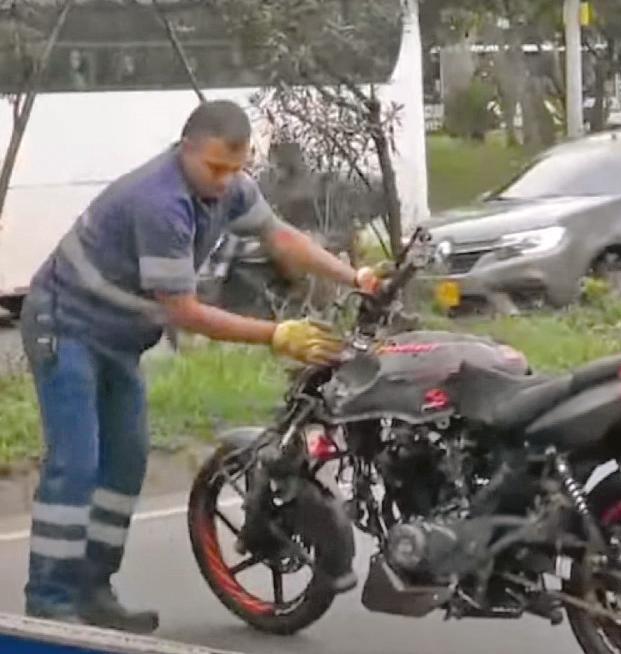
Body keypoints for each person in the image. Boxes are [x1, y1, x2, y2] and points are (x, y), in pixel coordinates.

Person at [19, 100, 383, 633]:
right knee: (77, 462)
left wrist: (355, 277)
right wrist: (276, 335)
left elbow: (280, 236)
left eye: (237, 168)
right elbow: (184, 313)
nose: (226, 181)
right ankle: (49, 601)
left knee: (126, 459)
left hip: (117, 337)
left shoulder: (230, 187)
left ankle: (94, 589)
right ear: (186, 149)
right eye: (215, 167)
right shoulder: (159, 202)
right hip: (65, 324)